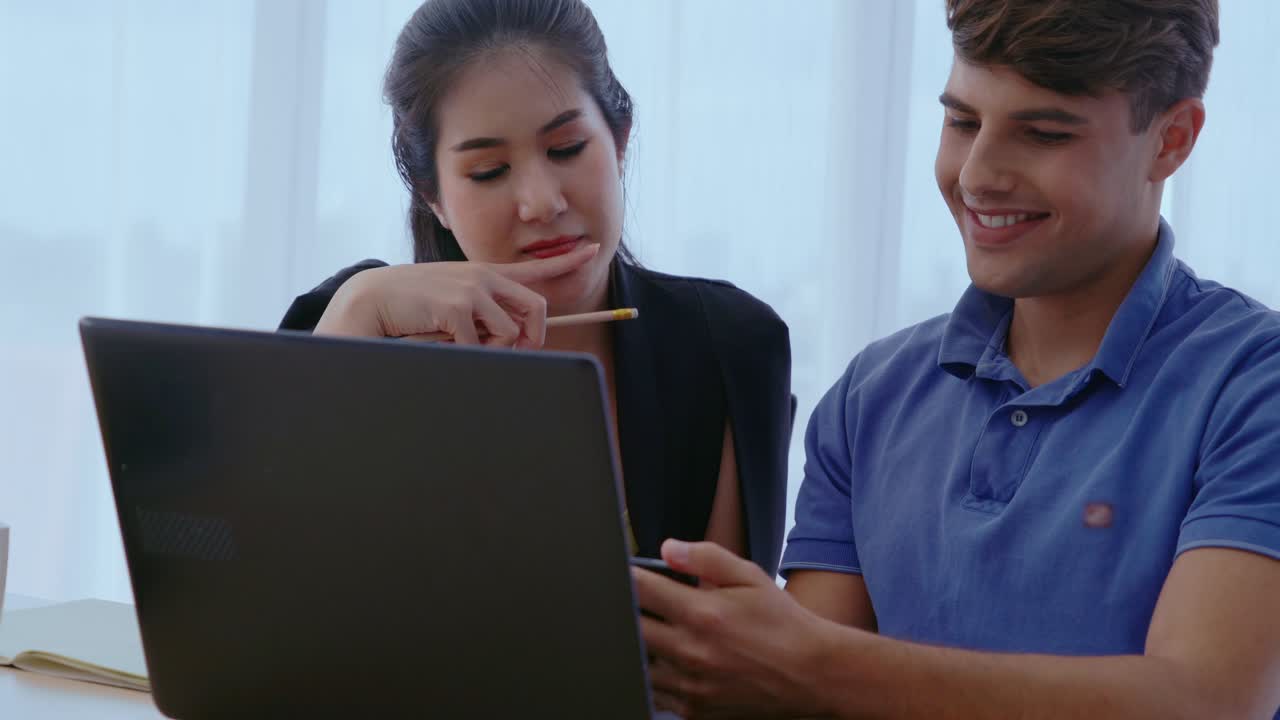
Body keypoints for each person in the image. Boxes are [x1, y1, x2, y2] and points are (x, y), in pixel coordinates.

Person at [635, 1, 1280, 717]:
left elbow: (1208, 703)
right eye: (963, 123)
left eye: (1043, 133)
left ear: (1172, 139)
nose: (977, 175)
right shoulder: (871, 397)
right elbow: (795, 695)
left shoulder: (1255, 385)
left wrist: (807, 660)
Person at [279, 0, 794, 573]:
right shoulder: (345, 326)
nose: (542, 203)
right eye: (489, 172)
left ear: (620, 141)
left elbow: (721, 623)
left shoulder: (725, 345)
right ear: (433, 198)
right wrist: (358, 307)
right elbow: (266, 573)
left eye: (567, 148)